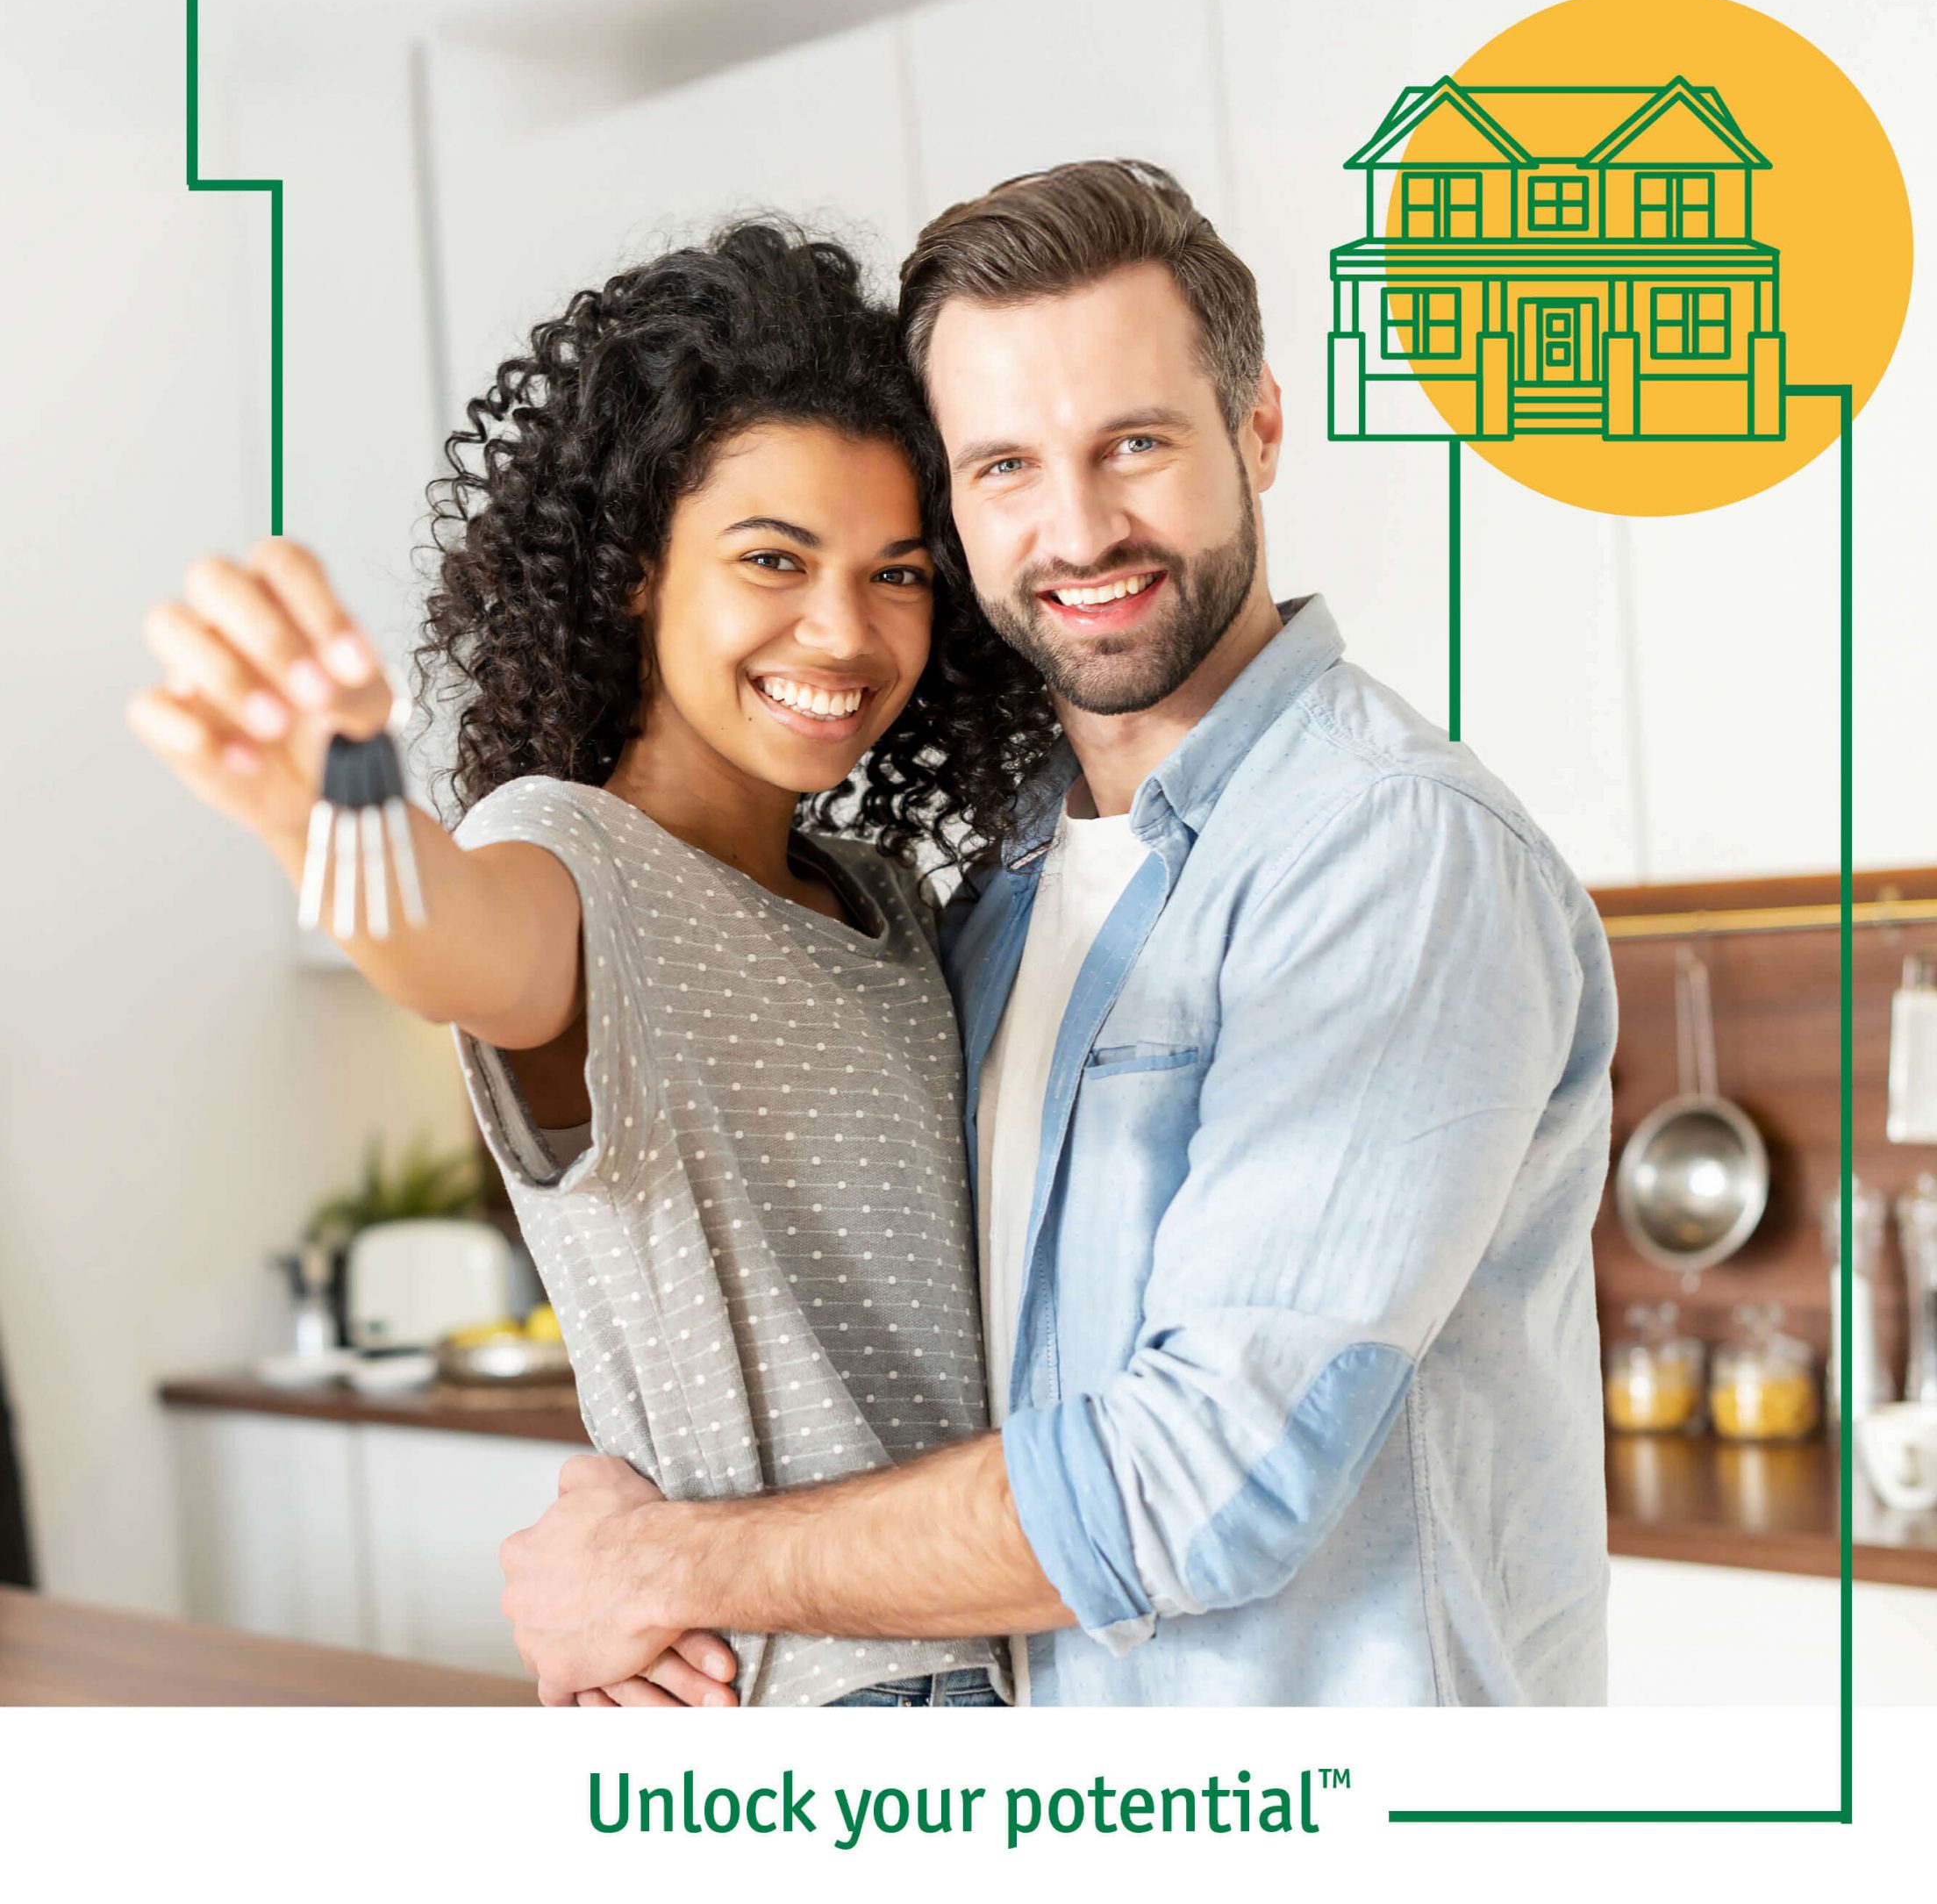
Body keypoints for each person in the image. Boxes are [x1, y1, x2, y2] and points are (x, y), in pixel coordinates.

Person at [498, 161, 1618, 1708]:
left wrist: (675, 1565)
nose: (1077, 529)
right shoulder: (995, 901)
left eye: (1135, 445)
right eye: (1004, 466)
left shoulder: (1388, 851)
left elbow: (1206, 1477)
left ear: (1261, 429)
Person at [126, 220, 1061, 1708]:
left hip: (1010, 1664)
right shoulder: (574, 861)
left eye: (896, 572)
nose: (846, 628)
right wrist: (335, 806)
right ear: (633, 571)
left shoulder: (886, 904)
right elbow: (448, 940)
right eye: (774, 558)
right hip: (797, 1710)